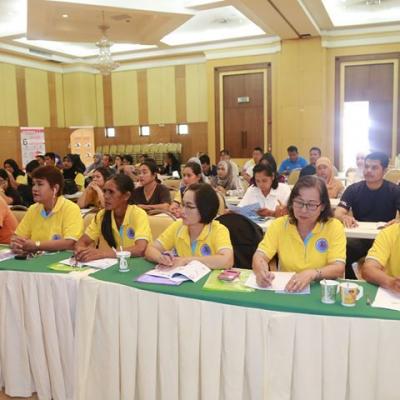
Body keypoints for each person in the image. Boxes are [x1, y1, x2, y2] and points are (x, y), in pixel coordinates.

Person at [252, 175, 345, 292]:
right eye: (299, 202)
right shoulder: (279, 225)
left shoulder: (334, 226)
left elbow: (338, 268)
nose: (304, 210)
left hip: (321, 289)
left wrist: (313, 273)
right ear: (292, 202)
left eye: (311, 205)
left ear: (322, 206)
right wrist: (260, 270)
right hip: (287, 288)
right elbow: (260, 255)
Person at [335, 152, 400, 278]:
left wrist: (397, 221)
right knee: (343, 253)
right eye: (367, 166)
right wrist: (344, 216)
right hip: (360, 239)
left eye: (374, 167)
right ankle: (353, 284)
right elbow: (338, 212)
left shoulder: (395, 190)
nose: (369, 170)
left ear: (384, 171)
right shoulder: (353, 189)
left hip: (385, 239)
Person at [145, 183, 233, 269]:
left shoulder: (218, 230)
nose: (182, 211)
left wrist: (186, 260)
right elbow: (150, 249)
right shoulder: (178, 226)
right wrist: (161, 258)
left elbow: (227, 260)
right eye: (183, 205)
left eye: (190, 207)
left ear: (205, 209)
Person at [74, 174, 152, 262]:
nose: (105, 196)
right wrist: (81, 251)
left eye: (111, 192)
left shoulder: (138, 214)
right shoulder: (102, 215)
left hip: (138, 264)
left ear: (126, 196)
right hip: (113, 265)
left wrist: (103, 254)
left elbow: (140, 249)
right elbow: (82, 242)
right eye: (104, 191)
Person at [10, 166, 83, 255]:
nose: (34, 188)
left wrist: (37, 245)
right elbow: (17, 236)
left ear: (55, 188)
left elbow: (69, 243)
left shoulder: (71, 208)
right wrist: (16, 244)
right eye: (33, 184)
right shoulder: (33, 209)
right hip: (36, 258)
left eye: (40, 184)